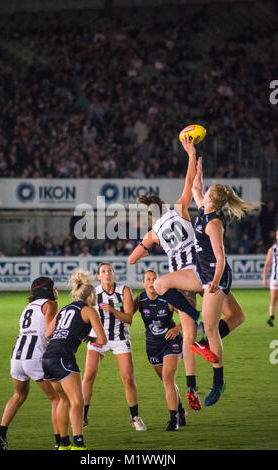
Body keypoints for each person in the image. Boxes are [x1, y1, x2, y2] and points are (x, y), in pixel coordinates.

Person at [153, 157, 259, 406]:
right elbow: (195, 190)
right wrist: (197, 172)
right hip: (201, 274)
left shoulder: (214, 223)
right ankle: (195, 322)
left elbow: (221, 258)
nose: (204, 193)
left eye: (208, 192)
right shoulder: (203, 208)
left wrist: (214, 284)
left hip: (214, 278)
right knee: (160, 284)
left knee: (211, 330)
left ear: (213, 200)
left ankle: (218, 383)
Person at [129, 135, 202, 411]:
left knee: (188, 333)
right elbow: (189, 180)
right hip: (199, 272)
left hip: (177, 282)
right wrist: (191, 156)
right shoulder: (181, 207)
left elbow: (133, 259)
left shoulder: (153, 232)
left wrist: (146, 247)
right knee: (221, 314)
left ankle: (192, 385)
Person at [0, 277, 60, 450]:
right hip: (34, 357)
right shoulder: (50, 305)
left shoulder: (28, 307)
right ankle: (60, 442)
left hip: (17, 356)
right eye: (54, 287)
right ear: (47, 291)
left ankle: (1, 434)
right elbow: (49, 331)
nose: (56, 290)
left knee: (19, 395)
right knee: (57, 399)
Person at [42, 269, 107, 450]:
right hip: (64, 357)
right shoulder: (89, 311)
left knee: (63, 400)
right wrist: (90, 338)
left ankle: (63, 444)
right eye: (95, 294)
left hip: (48, 357)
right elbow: (102, 341)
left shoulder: (64, 309)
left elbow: (48, 333)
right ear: (91, 295)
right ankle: (78, 444)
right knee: (77, 402)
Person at [82, 262, 147, 431]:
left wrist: (112, 310)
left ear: (113, 274)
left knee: (128, 378)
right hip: (98, 338)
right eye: (103, 272)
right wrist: (86, 335)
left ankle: (135, 417)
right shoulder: (93, 293)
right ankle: (83, 415)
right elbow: (85, 316)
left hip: (119, 338)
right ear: (98, 276)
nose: (107, 274)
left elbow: (129, 319)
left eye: (110, 270)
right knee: (88, 375)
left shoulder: (124, 291)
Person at [133, 270, 186, 431]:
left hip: (172, 343)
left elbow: (190, 316)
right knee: (167, 382)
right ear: (144, 284)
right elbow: (127, 317)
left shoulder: (168, 298)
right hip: (152, 346)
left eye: (154, 279)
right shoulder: (140, 299)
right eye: (148, 279)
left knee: (168, 379)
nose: (151, 282)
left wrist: (177, 328)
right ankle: (181, 411)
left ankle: (173, 419)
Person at [263, 229, 278, 327]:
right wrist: (264, 278)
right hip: (275, 278)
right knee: (273, 299)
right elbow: (267, 265)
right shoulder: (272, 249)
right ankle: (271, 318)